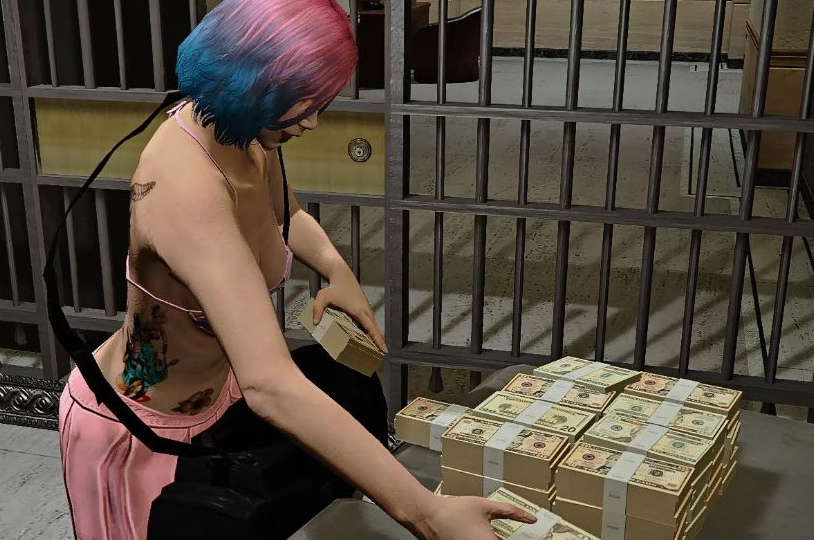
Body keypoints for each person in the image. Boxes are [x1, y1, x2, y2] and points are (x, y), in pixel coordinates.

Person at [56, 1, 536, 539]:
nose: (311, 122)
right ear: (249, 80)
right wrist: (427, 513)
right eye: (300, 105)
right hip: (140, 429)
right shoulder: (182, 187)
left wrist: (336, 270)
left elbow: (287, 216)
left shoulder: (244, 134)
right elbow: (269, 384)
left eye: (318, 103)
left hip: (220, 400)